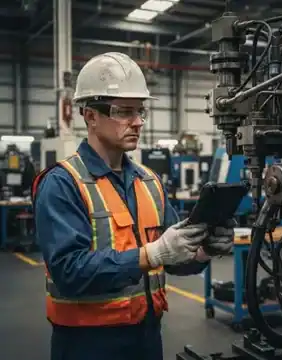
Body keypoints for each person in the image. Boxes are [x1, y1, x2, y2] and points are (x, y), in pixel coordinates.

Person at [32, 52, 235, 360]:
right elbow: (68, 272)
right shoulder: (62, 184)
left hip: (147, 337)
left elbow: (173, 257)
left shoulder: (149, 182)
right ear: (90, 115)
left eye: (140, 111)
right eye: (124, 111)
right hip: (87, 344)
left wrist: (203, 251)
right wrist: (150, 253)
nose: (138, 121)